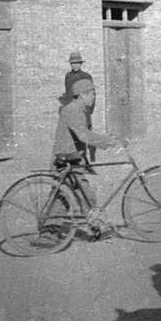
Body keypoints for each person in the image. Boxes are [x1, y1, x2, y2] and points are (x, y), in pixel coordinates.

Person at [53, 79, 119, 211]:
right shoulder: (73, 109)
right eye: (92, 94)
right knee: (64, 201)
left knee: (84, 199)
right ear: (83, 95)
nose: (94, 98)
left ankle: (88, 226)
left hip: (72, 161)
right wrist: (107, 140)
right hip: (66, 161)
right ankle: (50, 230)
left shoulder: (79, 109)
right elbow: (83, 134)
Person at [60, 51, 96, 160]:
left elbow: (92, 95)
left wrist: (89, 110)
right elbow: (67, 94)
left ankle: (84, 160)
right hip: (71, 110)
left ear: (81, 63)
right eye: (72, 63)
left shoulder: (86, 76)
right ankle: (75, 161)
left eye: (77, 63)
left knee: (83, 135)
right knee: (71, 136)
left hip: (82, 110)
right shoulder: (68, 76)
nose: (75, 65)